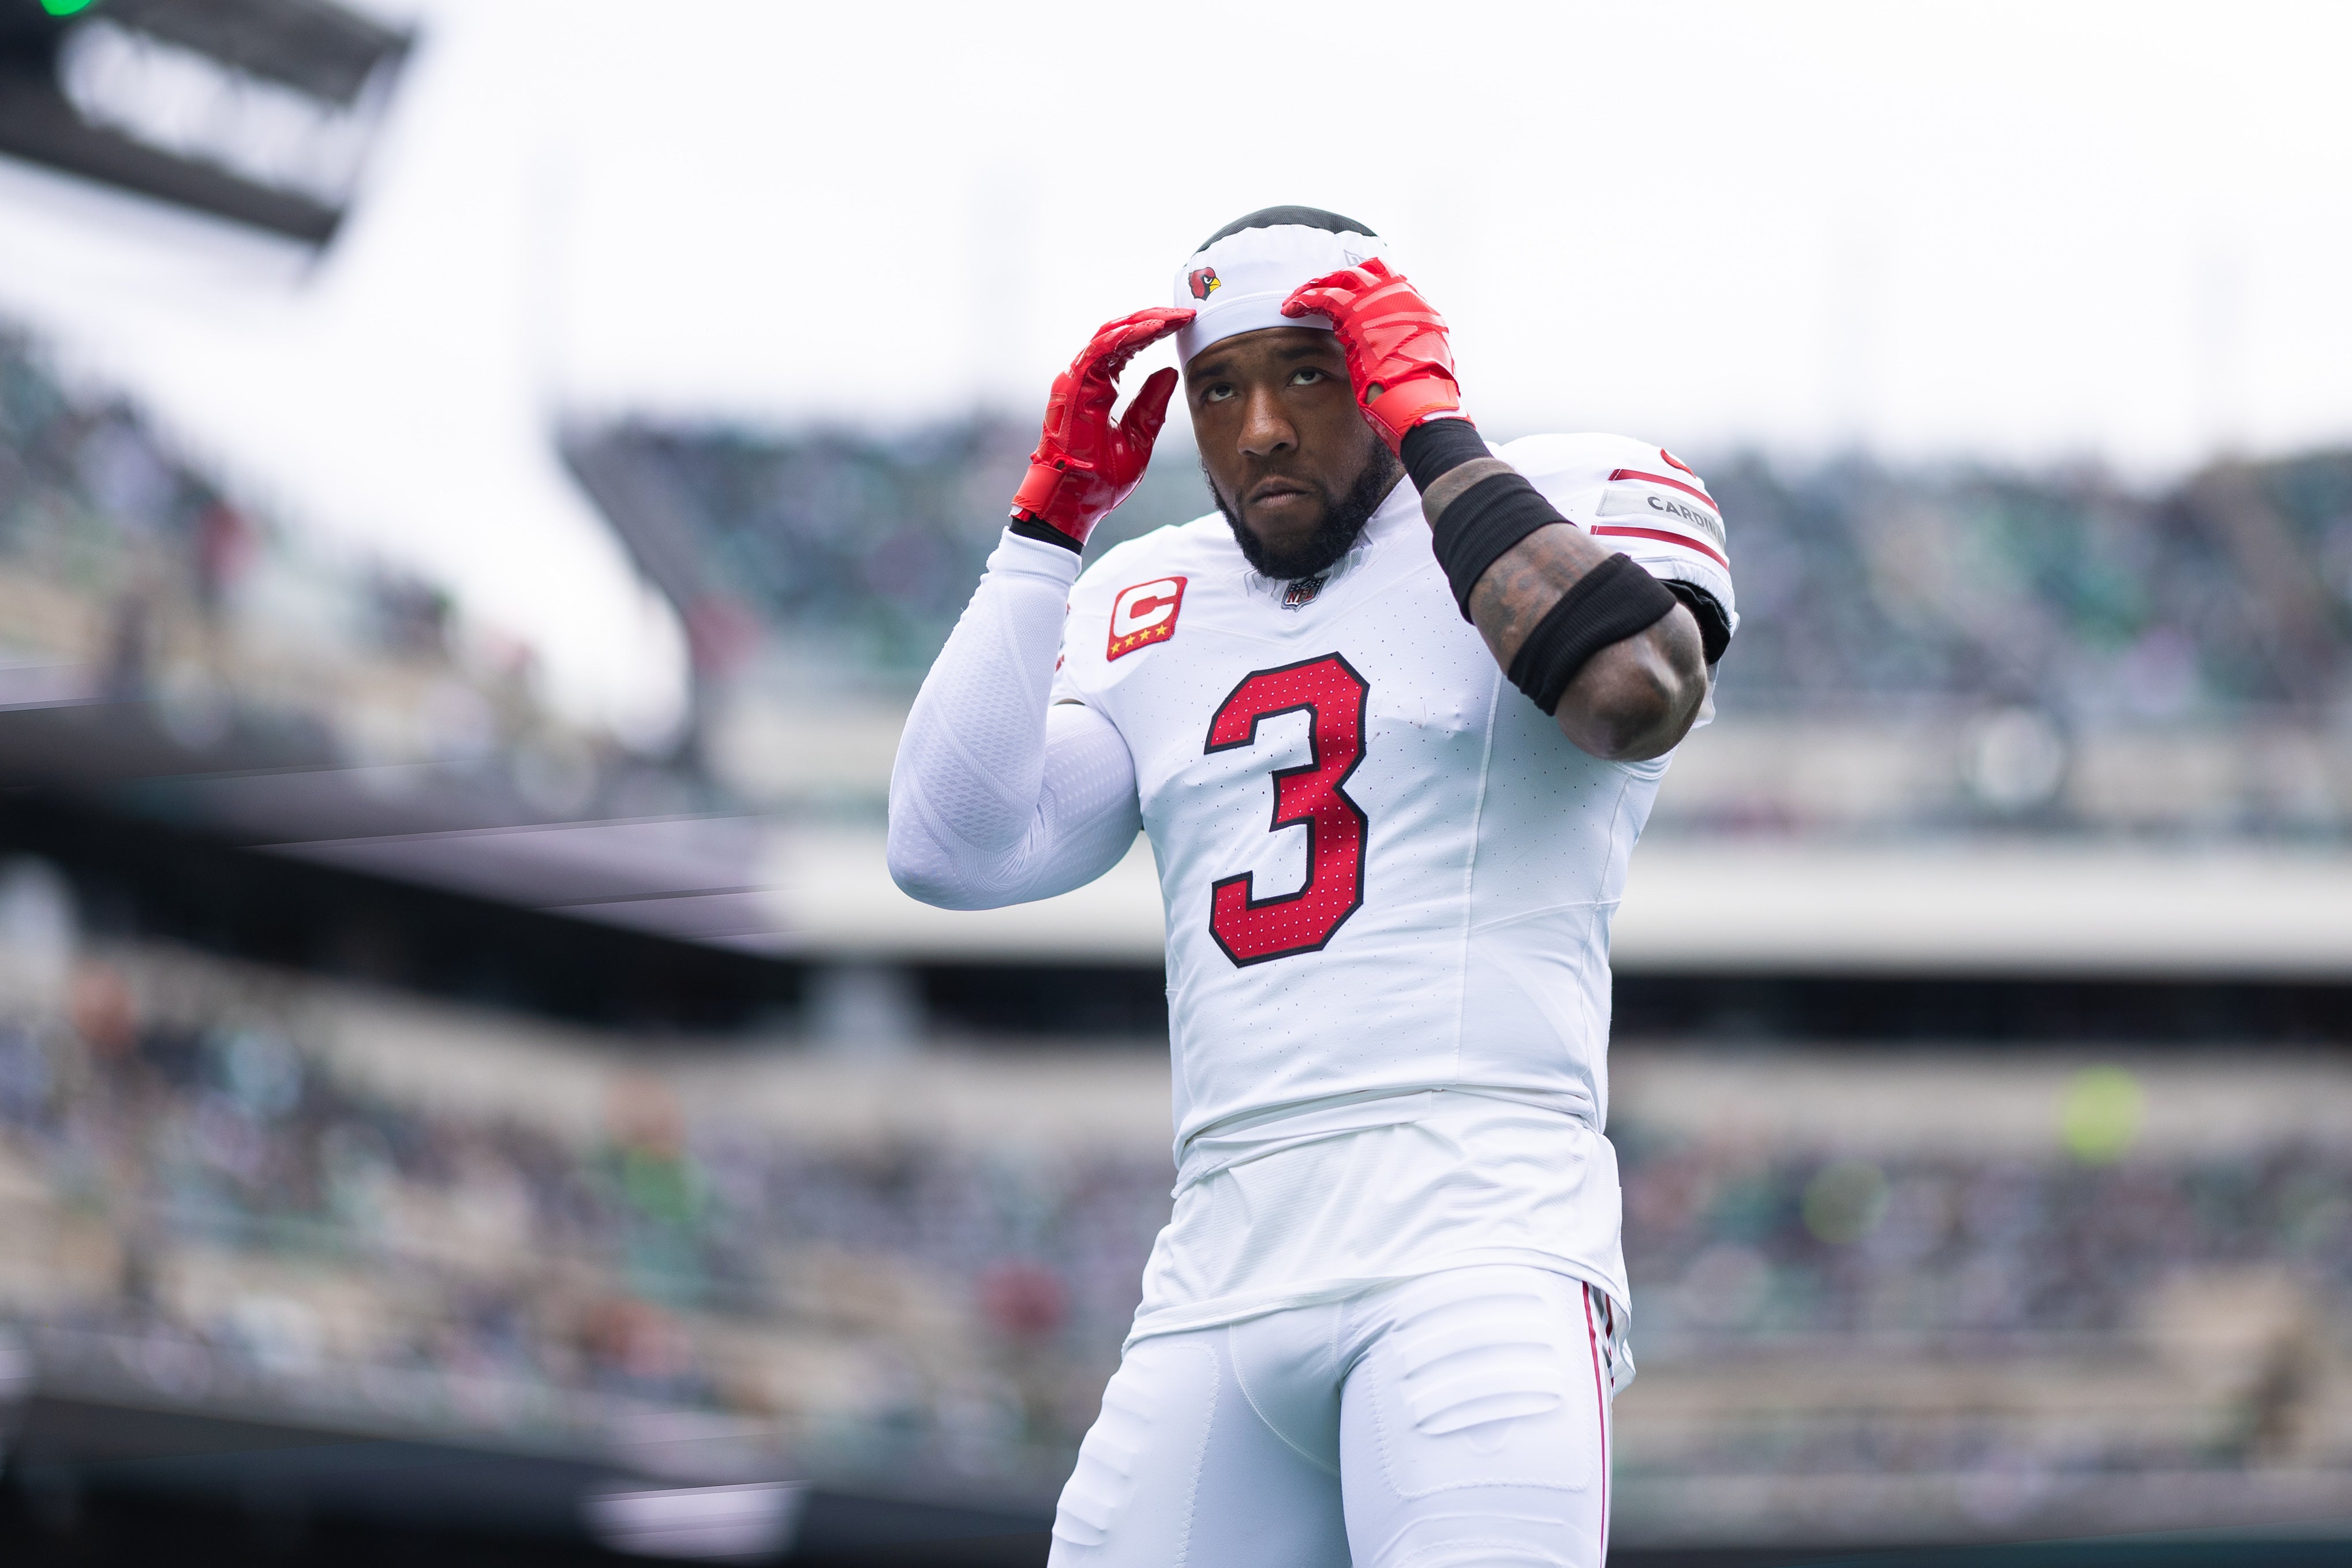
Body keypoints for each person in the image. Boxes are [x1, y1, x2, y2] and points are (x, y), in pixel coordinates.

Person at [888, 207, 1736, 1567]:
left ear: (1388, 363)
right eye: (1218, 387)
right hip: (1218, 1273)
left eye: (1308, 372)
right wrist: (1045, 532)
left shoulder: (1563, 493)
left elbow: (1630, 695)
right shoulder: (1150, 592)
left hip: (1473, 1245)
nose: (1261, 428)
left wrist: (1437, 437)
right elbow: (953, 849)